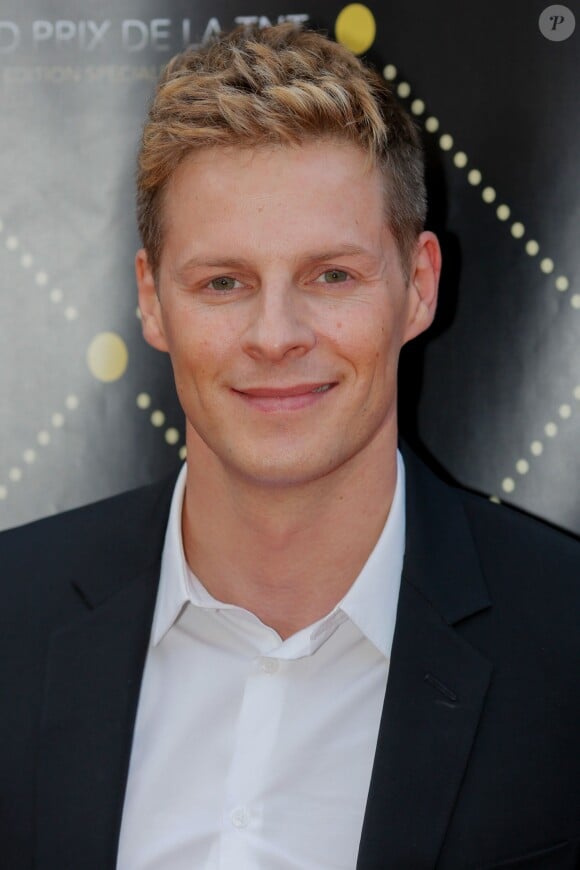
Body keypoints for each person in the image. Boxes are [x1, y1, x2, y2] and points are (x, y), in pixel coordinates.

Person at [1, 23, 579, 870]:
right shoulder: (11, 616)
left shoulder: (564, 643)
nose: (275, 336)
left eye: (331, 276)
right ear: (152, 301)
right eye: (223, 283)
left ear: (418, 287)